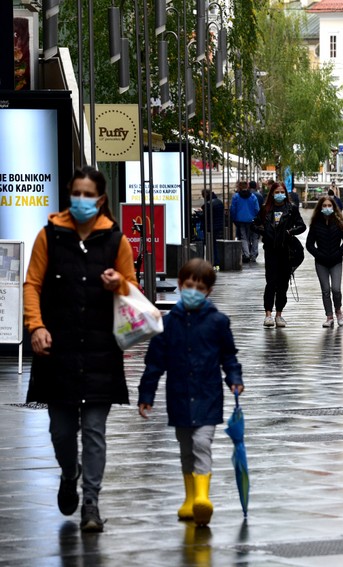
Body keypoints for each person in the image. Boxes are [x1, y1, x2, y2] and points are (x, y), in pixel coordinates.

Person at [24, 166, 138, 533]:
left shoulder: (115, 240)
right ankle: (68, 471)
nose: (82, 201)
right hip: (57, 350)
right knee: (60, 430)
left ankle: (91, 501)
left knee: (93, 430)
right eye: (77, 193)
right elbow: (32, 284)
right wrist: (36, 326)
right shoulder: (50, 236)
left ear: (101, 200)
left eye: (89, 195)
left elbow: (133, 291)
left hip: (101, 350)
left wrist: (118, 282)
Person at [138, 258, 243, 527]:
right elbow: (155, 363)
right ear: (181, 284)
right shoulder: (167, 323)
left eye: (199, 287)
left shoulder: (218, 322)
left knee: (201, 443)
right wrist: (146, 396)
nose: (193, 291)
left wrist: (234, 379)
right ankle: (189, 498)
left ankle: (202, 498)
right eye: (188, 285)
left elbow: (228, 356)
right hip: (178, 396)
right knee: (186, 447)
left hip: (208, 395)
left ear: (208, 291)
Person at [253, 182, 306, 328]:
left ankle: (279, 314)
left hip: (286, 250)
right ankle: (268, 314)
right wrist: (265, 232)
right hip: (271, 250)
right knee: (271, 282)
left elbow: (302, 226)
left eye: (282, 191)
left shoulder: (291, 209)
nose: (279, 194)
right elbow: (255, 224)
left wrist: (289, 232)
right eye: (277, 192)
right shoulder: (265, 209)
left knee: (283, 284)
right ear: (272, 193)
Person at [306, 196, 343, 328]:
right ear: (320, 208)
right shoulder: (315, 224)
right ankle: (329, 316)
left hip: (336, 261)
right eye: (324, 206)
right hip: (321, 262)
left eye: (329, 206)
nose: (327, 208)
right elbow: (309, 244)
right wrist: (319, 255)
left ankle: (338, 311)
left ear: (333, 207)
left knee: (336, 289)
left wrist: (338, 253)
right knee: (325, 290)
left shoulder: (339, 222)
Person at [230, 181, 261, 263]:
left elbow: (233, 209)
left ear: (239, 187)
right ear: (247, 186)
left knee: (244, 237)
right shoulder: (253, 196)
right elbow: (257, 209)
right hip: (252, 220)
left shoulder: (236, 197)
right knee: (254, 238)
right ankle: (253, 256)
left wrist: (234, 218)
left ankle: (246, 254)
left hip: (240, 220)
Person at [200, 189, 224, 268]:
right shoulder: (219, 201)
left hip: (210, 227)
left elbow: (206, 216)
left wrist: (199, 213)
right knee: (214, 244)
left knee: (211, 244)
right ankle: (215, 261)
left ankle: (213, 261)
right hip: (219, 226)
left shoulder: (208, 204)